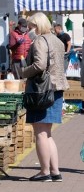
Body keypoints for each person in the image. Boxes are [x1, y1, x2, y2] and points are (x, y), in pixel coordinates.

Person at [23, 12, 69, 181]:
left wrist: (23, 72)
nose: (28, 30)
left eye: (30, 26)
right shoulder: (57, 40)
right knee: (47, 133)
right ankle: (55, 171)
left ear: (38, 26)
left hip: (41, 90)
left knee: (40, 132)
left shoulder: (40, 41)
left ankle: (44, 172)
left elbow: (40, 64)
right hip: (56, 88)